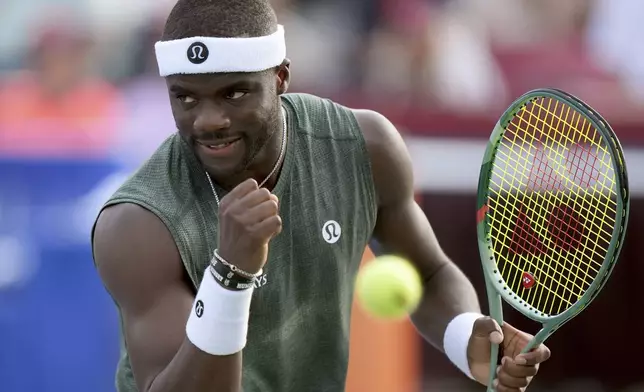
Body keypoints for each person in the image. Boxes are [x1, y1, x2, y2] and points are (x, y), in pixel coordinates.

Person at [91, 0, 551, 391]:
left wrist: (467, 339)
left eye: (234, 93)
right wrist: (230, 274)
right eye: (185, 98)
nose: (208, 120)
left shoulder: (365, 147)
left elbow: (428, 273)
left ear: (281, 78)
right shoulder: (136, 223)